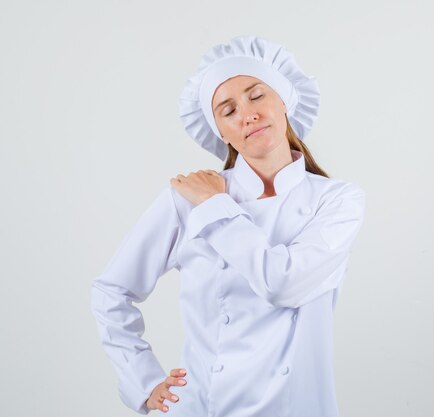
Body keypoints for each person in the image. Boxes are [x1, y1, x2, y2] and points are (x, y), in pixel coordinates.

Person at [90, 35, 367, 417]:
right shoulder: (185, 198)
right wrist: (143, 380)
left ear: (284, 101)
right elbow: (112, 290)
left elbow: (283, 283)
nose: (248, 114)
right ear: (220, 131)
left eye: (257, 96)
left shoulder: (336, 200)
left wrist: (217, 206)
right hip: (204, 407)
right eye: (228, 109)